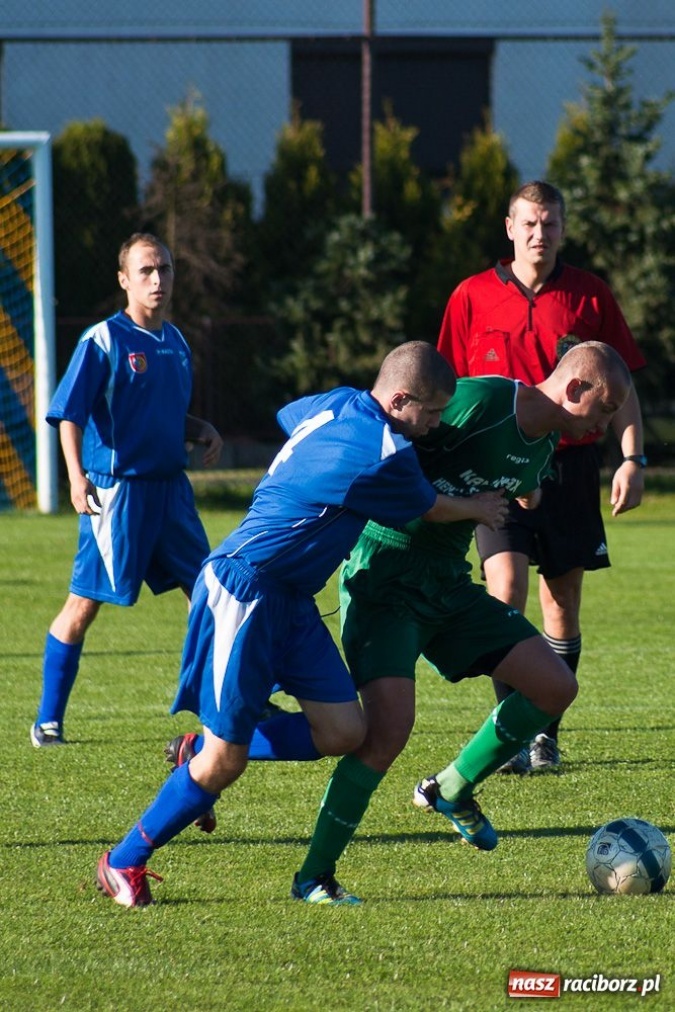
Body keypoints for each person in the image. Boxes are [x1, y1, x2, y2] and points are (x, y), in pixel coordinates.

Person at [95, 340, 508, 908]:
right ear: (401, 399)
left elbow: (290, 417)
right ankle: (123, 860)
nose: (436, 425)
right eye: (432, 412)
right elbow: (429, 506)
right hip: (244, 589)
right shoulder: (386, 450)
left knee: (343, 732)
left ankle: (198, 750)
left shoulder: (338, 402)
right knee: (226, 762)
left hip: (289, 599)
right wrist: (480, 508)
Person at [290, 341, 632, 904]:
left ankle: (451, 789)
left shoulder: (544, 438)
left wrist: (525, 490)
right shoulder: (482, 401)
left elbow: (523, 483)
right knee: (387, 732)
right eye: (604, 406)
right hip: (386, 577)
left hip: (448, 583)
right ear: (574, 390)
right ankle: (314, 878)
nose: (605, 421)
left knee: (554, 687)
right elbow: (391, 449)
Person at [437, 180, 646, 773]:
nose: (539, 233)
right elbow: (444, 388)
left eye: (549, 223)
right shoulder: (471, 296)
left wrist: (631, 457)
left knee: (562, 604)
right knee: (504, 592)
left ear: (563, 227)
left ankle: (542, 734)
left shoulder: (588, 296)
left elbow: (621, 384)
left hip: (571, 467)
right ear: (509, 227)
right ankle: (507, 744)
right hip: (496, 469)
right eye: (528, 223)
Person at [30, 233, 223, 748]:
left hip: (171, 493)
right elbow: (68, 413)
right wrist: (75, 477)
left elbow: (159, 414)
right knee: (83, 604)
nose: (157, 279)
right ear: (124, 280)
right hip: (117, 494)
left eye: (164, 269)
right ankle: (48, 718)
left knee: (207, 594)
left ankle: (220, 706)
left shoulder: (176, 342)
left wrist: (200, 427)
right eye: (145, 271)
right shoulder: (104, 341)